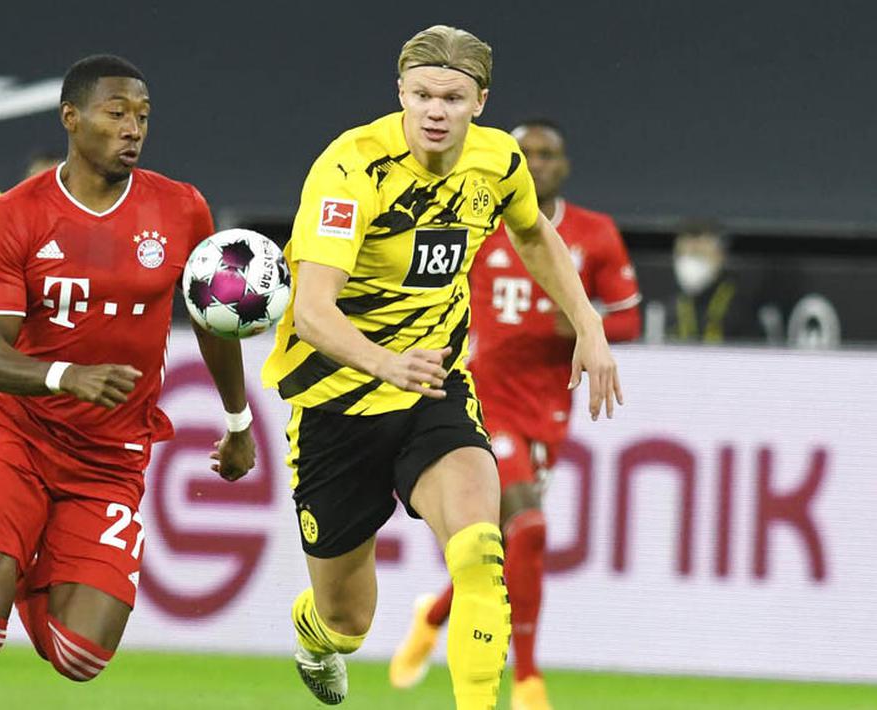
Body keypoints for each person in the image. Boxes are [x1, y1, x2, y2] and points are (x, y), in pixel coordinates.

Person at [261, 26, 622, 710]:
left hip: (433, 390)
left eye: (452, 98)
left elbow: (532, 231)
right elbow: (312, 310)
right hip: (336, 405)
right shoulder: (350, 168)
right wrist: (382, 363)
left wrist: (587, 324)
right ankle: (313, 634)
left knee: (481, 552)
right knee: (349, 621)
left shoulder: (496, 160)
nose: (434, 110)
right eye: (422, 94)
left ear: (478, 102)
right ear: (399, 93)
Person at [0, 54, 256, 710]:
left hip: (109, 457)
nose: (133, 128)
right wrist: (63, 375)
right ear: (71, 119)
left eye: (143, 116)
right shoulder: (16, 214)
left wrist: (238, 422)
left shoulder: (181, 208)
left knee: (79, 657)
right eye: (116, 114)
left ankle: (8, 549)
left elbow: (213, 322)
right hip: (16, 435)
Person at [388, 119, 642, 710]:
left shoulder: (594, 234)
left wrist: (577, 327)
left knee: (503, 543)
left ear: (564, 166)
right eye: (524, 153)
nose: (535, 162)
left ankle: (435, 612)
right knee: (526, 526)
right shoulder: (477, 223)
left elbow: (627, 317)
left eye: (547, 154)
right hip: (483, 395)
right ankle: (527, 678)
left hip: (550, 403)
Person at [666, 221, 764, 342]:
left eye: (698, 255)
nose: (690, 264)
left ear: (720, 255)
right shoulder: (670, 305)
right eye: (683, 255)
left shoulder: (742, 304)